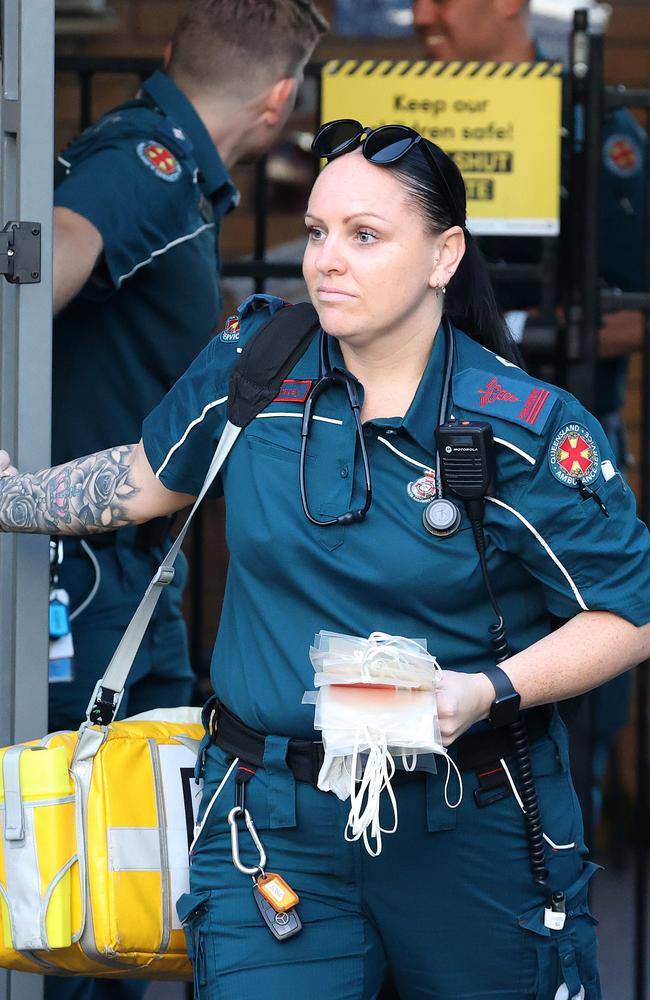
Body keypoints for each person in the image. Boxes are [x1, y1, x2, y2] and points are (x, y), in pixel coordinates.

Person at [1, 120, 649, 999]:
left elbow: (626, 613)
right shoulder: (258, 363)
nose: (326, 260)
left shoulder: (522, 426)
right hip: (270, 821)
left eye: (365, 235)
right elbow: (147, 479)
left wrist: (486, 690)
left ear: (443, 255)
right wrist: (14, 499)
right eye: (316, 232)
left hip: (467, 824)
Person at [47, 2, 326, 998]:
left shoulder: (167, 167)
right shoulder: (148, 166)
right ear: (280, 100)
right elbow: (54, 251)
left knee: (144, 841)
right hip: (82, 564)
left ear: (170, 56)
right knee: (83, 846)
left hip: (131, 562)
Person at [412, 0, 646, 832]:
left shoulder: (590, 129)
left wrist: (523, 341)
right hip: (419, 448)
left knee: (573, 689)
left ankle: (551, 889)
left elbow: (637, 304)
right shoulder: (412, 126)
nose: (417, 14)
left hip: (557, 447)